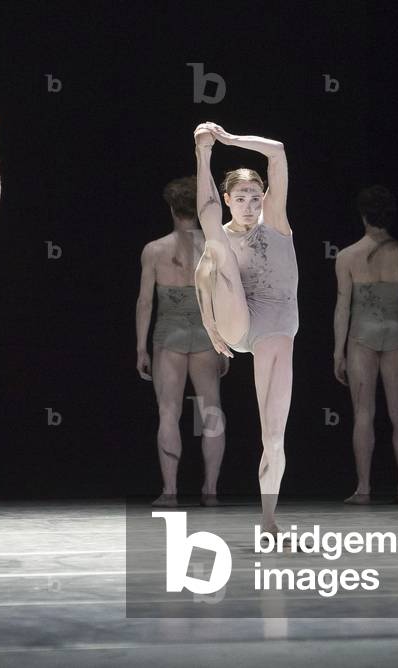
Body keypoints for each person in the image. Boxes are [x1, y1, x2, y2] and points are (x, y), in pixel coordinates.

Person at [191, 122, 297, 533]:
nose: (250, 206)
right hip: (237, 316)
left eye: (255, 197)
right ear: (227, 199)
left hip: (275, 324)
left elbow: (278, 150)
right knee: (217, 247)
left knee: (274, 434)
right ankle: (200, 154)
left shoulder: (276, 221)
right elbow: (203, 278)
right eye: (241, 198)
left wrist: (231, 140)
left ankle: (268, 520)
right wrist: (210, 326)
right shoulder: (220, 237)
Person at [136, 176, 229, 508]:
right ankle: (211, 490)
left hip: (169, 335)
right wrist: (223, 340)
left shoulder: (155, 250)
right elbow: (225, 299)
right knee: (211, 411)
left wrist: (141, 348)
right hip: (207, 335)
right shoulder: (216, 247)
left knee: (169, 411)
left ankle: (171, 491)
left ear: (173, 209)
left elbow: (145, 302)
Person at [333, 185, 398, 504]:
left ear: (363, 215)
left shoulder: (347, 256)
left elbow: (343, 307)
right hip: (395, 336)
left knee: (363, 414)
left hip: (361, 337)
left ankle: (364, 488)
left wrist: (337, 351)